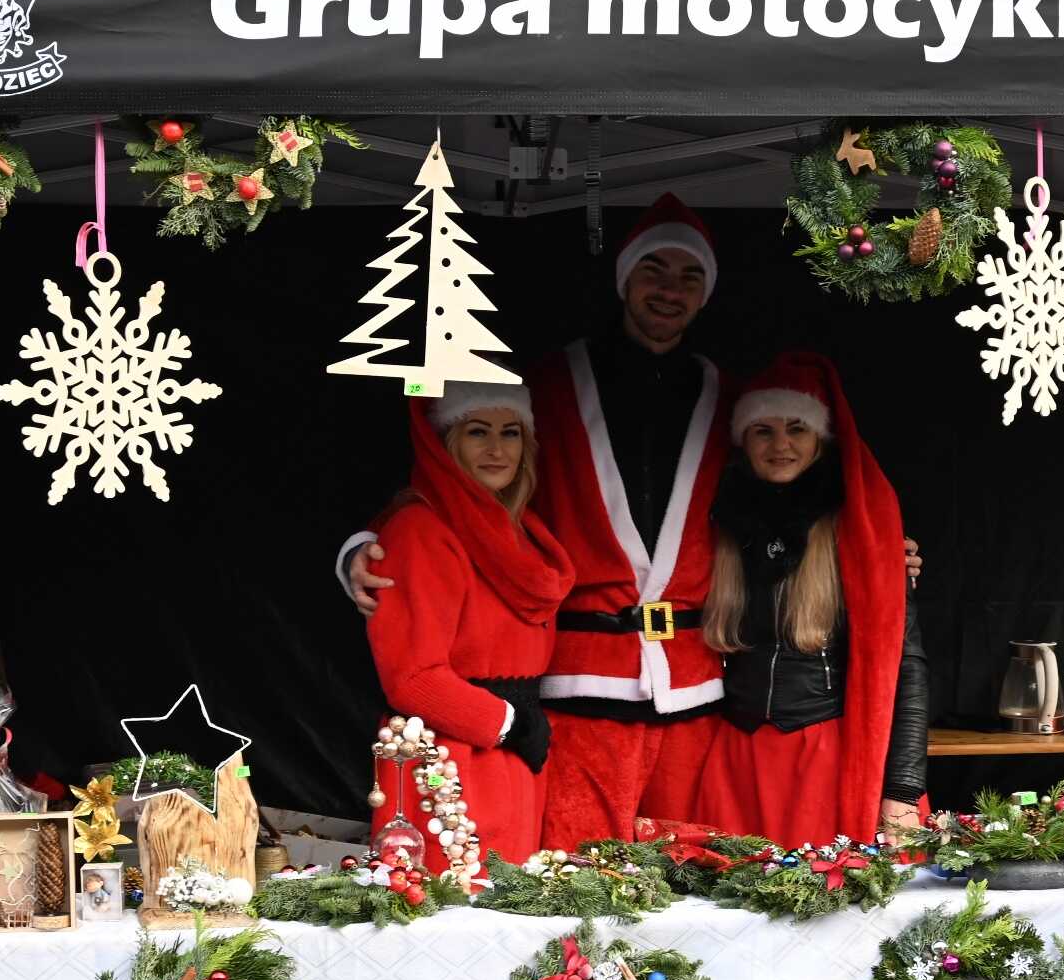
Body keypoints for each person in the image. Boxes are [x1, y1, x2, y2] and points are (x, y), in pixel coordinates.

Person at [346, 194, 731, 853]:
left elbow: (787, 491)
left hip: (693, 687)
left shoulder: (727, 395)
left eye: (689, 275)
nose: (670, 290)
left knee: (693, 872)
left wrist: (885, 553)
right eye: (653, 270)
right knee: (570, 876)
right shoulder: (547, 382)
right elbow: (448, 480)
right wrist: (361, 546)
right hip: (577, 688)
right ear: (623, 278)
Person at [691, 354, 928, 847]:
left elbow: (905, 665)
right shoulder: (720, 527)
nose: (781, 445)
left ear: (820, 438)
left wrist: (903, 790)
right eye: (763, 430)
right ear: (742, 441)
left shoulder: (860, 533)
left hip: (827, 760)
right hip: (735, 763)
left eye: (797, 428)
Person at [363, 382, 573, 868]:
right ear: (447, 442)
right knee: (451, 899)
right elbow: (413, 677)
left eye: (510, 433)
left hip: (512, 759)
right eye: (478, 432)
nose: (497, 449)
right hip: (445, 761)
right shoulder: (419, 530)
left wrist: (518, 730)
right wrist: (510, 724)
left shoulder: (521, 531)